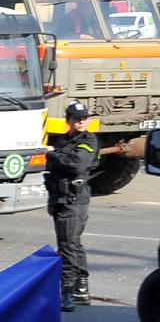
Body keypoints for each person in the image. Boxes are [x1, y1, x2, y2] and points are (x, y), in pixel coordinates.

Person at [47, 100, 98, 311]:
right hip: (59, 196)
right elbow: (57, 166)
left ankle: (67, 291)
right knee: (72, 243)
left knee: (67, 245)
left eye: (84, 118)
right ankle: (81, 288)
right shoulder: (63, 141)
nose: (81, 122)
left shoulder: (89, 140)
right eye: (77, 119)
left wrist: (53, 154)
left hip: (74, 198)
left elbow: (77, 163)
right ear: (68, 120)